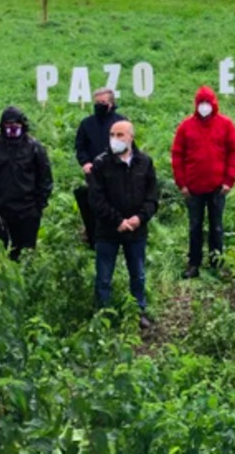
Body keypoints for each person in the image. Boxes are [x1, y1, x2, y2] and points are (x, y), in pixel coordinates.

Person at [88, 119, 158, 327]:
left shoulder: (144, 162)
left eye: (120, 135)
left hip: (136, 230)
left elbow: (153, 196)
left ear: (131, 137)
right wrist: (117, 221)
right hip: (107, 230)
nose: (115, 140)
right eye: (112, 135)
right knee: (103, 277)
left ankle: (138, 312)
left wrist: (139, 218)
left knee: (138, 274)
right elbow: (96, 199)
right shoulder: (100, 164)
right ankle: (103, 315)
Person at [171, 87, 235, 278]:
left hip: (218, 187)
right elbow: (177, 155)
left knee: (216, 226)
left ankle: (216, 262)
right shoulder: (186, 127)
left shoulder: (225, 125)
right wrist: (182, 184)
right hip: (193, 189)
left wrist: (229, 180)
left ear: (214, 104)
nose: (204, 107)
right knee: (195, 226)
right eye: (201, 103)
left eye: (207, 103)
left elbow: (234, 151)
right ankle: (194, 264)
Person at [0, 106, 53, 260]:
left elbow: (45, 179)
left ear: (23, 126)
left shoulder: (34, 148)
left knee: (23, 255)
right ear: (2, 127)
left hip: (26, 211)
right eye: (8, 126)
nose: (12, 130)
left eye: (16, 126)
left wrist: (38, 206)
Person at [75, 88, 127, 175]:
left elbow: (129, 144)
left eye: (102, 102)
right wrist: (86, 162)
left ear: (111, 103)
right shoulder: (87, 123)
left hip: (118, 170)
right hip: (94, 170)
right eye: (97, 102)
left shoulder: (121, 122)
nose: (99, 105)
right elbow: (80, 146)